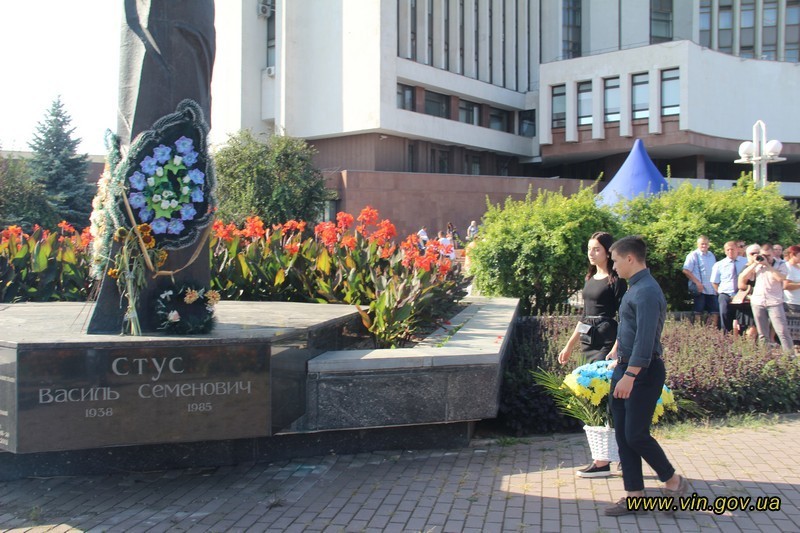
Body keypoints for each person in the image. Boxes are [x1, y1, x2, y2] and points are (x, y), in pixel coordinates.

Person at [604, 235, 688, 516]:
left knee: (636, 435)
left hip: (642, 372)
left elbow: (645, 338)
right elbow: (630, 328)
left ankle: (673, 482)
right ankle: (634, 495)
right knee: (624, 436)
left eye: (615, 260)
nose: (612, 266)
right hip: (626, 368)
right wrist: (617, 352)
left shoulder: (648, 291)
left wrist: (630, 374)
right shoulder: (635, 288)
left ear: (630, 258)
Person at [559, 232, 627, 478]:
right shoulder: (590, 278)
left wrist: (617, 347)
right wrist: (569, 346)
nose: (591, 253)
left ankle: (609, 458)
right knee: (593, 395)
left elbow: (626, 317)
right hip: (589, 338)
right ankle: (606, 457)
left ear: (608, 251)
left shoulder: (616, 280)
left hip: (607, 339)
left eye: (596, 249)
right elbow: (584, 318)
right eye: (589, 248)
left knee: (604, 395)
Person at [739, 243, 793, 353]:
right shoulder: (757, 265)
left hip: (774, 302)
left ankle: (790, 358)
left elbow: (780, 278)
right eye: (764, 255)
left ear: (773, 254)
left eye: (768, 256)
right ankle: (765, 356)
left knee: (782, 331)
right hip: (758, 301)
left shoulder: (781, 264)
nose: (766, 258)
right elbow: (742, 278)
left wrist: (768, 265)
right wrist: (754, 264)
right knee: (762, 334)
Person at [710, 241, 747, 333]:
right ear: (725, 251)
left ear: (737, 249)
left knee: (743, 316)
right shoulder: (719, 265)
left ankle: (743, 335)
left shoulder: (745, 262)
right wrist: (719, 292)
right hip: (725, 293)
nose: (730, 251)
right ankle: (726, 335)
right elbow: (714, 281)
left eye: (732, 249)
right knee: (724, 313)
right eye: (728, 250)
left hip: (741, 293)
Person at [682, 236, 718, 327]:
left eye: (706, 243)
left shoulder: (711, 255)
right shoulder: (693, 255)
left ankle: (713, 332)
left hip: (711, 288)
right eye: (702, 244)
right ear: (698, 244)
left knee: (715, 311)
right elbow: (686, 270)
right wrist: (697, 283)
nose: (704, 245)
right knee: (698, 311)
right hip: (700, 288)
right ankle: (698, 331)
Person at [783, 245, 800, 315]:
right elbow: (785, 286)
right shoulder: (787, 267)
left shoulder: (797, 267)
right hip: (792, 303)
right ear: (793, 255)